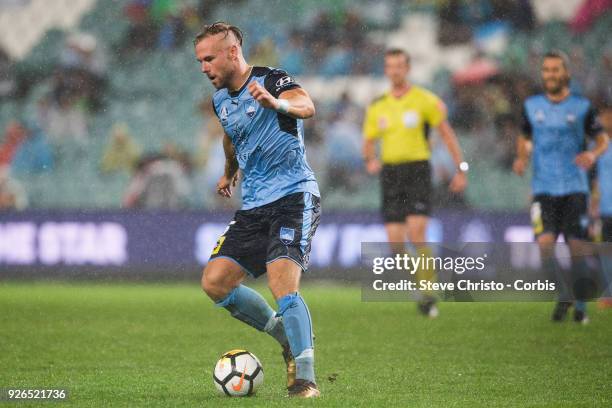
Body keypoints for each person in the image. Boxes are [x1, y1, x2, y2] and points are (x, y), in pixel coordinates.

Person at [194, 22, 321, 398]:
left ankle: (306, 377)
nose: (204, 67)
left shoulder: (272, 79)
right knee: (215, 282)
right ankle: (284, 336)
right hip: (254, 206)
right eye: (199, 60)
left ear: (232, 52)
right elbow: (231, 136)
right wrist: (228, 172)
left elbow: (306, 105)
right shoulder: (220, 100)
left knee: (283, 283)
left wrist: (276, 103)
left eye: (209, 58)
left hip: (294, 195)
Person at [362, 48, 468, 317]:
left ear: (407, 69)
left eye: (399, 66)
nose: (394, 70)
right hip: (391, 175)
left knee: (416, 234)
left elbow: (447, 135)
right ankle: (420, 283)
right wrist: (370, 160)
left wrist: (461, 169)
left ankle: (429, 290)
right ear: (386, 70)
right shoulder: (377, 105)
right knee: (396, 245)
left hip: (418, 171)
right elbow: (369, 140)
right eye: (390, 66)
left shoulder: (425, 100)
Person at [513, 51, 609, 323]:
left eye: (555, 70)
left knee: (576, 247)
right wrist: (521, 158)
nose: (550, 75)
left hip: (574, 187)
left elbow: (601, 139)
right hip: (543, 188)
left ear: (566, 73)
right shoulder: (532, 106)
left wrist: (592, 154)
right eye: (546, 70)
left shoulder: (581, 107)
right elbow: (525, 137)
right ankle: (563, 293)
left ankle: (580, 306)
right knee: (544, 246)